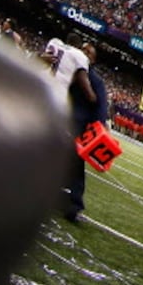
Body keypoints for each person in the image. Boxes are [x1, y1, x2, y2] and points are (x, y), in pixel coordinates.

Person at [40, 38, 98, 221]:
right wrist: (93, 98)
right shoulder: (78, 57)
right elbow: (83, 81)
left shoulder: (56, 44)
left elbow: (38, 59)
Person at [64, 40, 110, 221]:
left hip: (79, 127)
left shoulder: (95, 80)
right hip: (62, 120)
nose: (84, 53)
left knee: (75, 166)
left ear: (93, 59)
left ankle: (74, 205)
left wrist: (99, 127)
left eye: (89, 52)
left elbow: (100, 106)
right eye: (82, 49)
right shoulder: (69, 71)